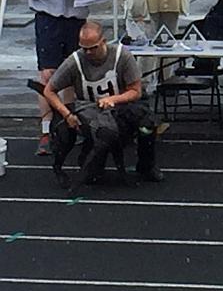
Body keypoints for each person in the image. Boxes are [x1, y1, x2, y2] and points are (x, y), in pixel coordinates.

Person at [42, 21, 163, 182]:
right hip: (90, 113)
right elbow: (49, 90)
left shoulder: (122, 56)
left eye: (94, 47)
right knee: (92, 174)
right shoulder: (74, 62)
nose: (89, 52)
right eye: (85, 48)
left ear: (104, 42)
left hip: (122, 109)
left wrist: (113, 99)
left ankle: (147, 165)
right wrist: (67, 114)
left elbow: (136, 91)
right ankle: (90, 159)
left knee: (147, 124)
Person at [25, 0, 100, 155]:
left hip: (75, 19)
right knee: (48, 74)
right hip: (50, 19)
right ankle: (46, 131)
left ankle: (69, 124)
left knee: (73, 73)